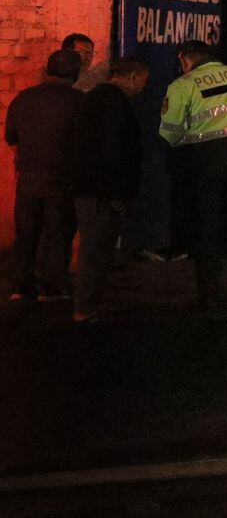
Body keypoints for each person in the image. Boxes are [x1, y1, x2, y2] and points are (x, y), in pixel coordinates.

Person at [158, 41, 227, 308]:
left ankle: (209, 294)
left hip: (205, 161)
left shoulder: (183, 84)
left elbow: (169, 131)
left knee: (207, 226)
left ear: (184, 59)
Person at [69, 57, 150, 322]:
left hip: (89, 185)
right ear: (132, 76)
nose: (142, 88)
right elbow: (113, 149)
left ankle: (90, 303)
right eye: (143, 81)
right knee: (96, 248)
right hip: (101, 190)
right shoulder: (115, 102)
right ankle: (85, 307)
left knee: (96, 247)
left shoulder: (95, 98)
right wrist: (117, 193)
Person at [5, 49, 84, 301]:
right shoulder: (80, 102)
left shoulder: (24, 98)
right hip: (63, 180)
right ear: (76, 72)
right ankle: (52, 287)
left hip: (28, 178)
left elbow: (11, 137)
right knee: (57, 233)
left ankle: (21, 285)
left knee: (26, 235)